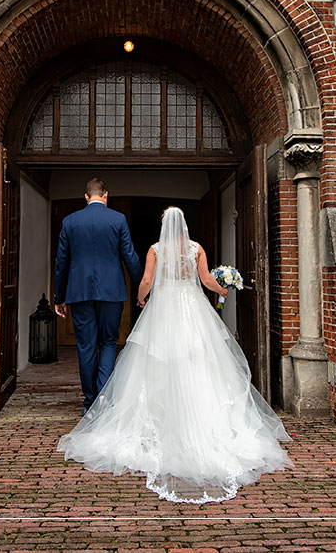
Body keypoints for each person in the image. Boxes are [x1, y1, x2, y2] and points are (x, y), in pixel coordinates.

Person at [57, 206, 292, 504]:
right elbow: (206, 280)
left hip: (164, 308)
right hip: (192, 308)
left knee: (156, 359)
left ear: (163, 225)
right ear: (184, 225)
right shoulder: (196, 249)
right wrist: (223, 289)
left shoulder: (155, 250)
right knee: (197, 358)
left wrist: (142, 299)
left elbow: (146, 281)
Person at [53, 178, 144, 415]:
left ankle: (90, 402)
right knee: (108, 342)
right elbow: (130, 257)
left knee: (86, 346)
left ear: (86, 197)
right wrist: (142, 288)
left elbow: (61, 262)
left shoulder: (70, 221)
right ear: (106, 195)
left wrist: (58, 297)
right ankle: (104, 396)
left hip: (79, 292)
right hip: (111, 291)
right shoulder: (118, 219)